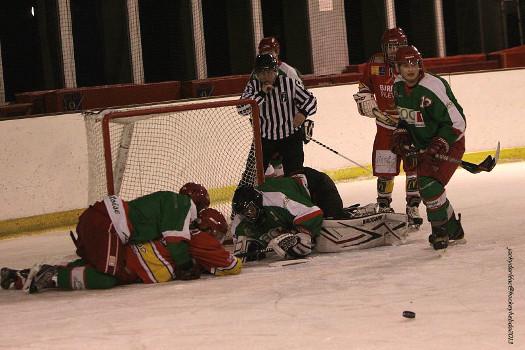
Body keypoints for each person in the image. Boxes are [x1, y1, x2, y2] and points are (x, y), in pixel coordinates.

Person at [1, 208, 242, 293]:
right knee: (105, 278)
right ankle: (54, 277)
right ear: (210, 229)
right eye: (218, 235)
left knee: (99, 267)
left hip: (132, 251)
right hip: (138, 265)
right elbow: (231, 265)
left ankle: (25, 275)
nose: (219, 240)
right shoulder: (202, 240)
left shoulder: (179, 228)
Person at [391, 45, 466, 250]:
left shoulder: (432, 86)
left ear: (420, 64)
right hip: (426, 147)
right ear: (397, 68)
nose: (410, 68)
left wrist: (440, 143)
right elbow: (406, 119)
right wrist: (402, 135)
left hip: (450, 144)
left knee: (429, 186)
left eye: (414, 63)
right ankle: (454, 230)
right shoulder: (397, 87)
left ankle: (440, 231)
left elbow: (458, 123)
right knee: (428, 190)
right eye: (405, 65)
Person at [353, 27, 422, 227]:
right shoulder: (375, 63)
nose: (393, 51)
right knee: (385, 167)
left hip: (411, 127)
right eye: (389, 47)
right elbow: (364, 88)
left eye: (397, 46)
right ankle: (384, 205)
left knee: (413, 167)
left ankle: (413, 205)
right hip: (385, 127)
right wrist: (367, 102)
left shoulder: (411, 61)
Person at [237, 53, 317, 190]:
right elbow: (241, 109)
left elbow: (311, 100)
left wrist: (303, 113)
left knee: (295, 175)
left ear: (275, 71)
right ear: (256, 73)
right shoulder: (253, 86)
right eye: (261, 73)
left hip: (290, 136)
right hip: (264, 138)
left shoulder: (289, 83)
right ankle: (243, 207)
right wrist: (261, 94)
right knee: (250, 177)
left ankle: (300, 205)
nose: (265, 76)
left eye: (269, 72)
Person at [231, 177, 323, 261]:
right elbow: (240, 249)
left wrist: (302, 234)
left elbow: (314, 212)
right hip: (298, 205)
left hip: (315, 188)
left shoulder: (276, 198)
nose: (248, 215)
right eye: (243, 213)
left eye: (251, 210)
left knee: (330, 243)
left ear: (257, 202)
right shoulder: (239, 223)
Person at [256, 36, 303, 178]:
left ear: (277, 51)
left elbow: (302, 97)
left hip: (288, 130)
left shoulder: (288, 72)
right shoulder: (256, 73)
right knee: (260, 172)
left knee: (293, 171)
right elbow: (251, 102)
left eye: (269, 50)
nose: (266, 54)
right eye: (263, 51)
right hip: (267, 132)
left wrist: (303, 118)